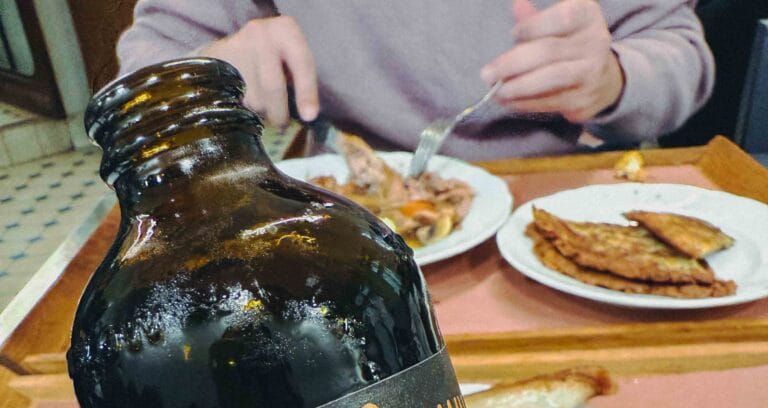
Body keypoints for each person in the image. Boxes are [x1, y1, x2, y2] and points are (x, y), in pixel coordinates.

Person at [116, 0, 715, 161]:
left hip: (566, 188)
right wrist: (210, 75)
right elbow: (141, 75)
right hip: (350, 201)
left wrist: (614, 79)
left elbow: (682, 50)